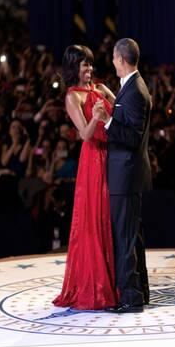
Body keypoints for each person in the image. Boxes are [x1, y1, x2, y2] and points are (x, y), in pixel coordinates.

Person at [53, 45, 118, 310]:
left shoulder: (99, 89)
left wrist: (109, 102)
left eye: (90, 64)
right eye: (84, 65)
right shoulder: (72, 97)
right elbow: (85, 134)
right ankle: (94, 285)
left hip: (111, 156)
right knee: (93, 217)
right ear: (73, 68)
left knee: (108, 217)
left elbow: (121, 106)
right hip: (92, 159)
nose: (89, 69)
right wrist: (97, 117)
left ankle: (114, 281)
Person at [93, 38, 152, 313]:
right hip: (128, 175)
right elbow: (128, 120)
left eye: (115, 58)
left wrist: (106, 120)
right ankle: (140, 292)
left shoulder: (135, 91)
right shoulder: (132, 87)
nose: (113, 62)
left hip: (125, 176)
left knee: (125, 238)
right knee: (133, 236)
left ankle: (130, 298)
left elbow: (131, 136)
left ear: (121, 59)